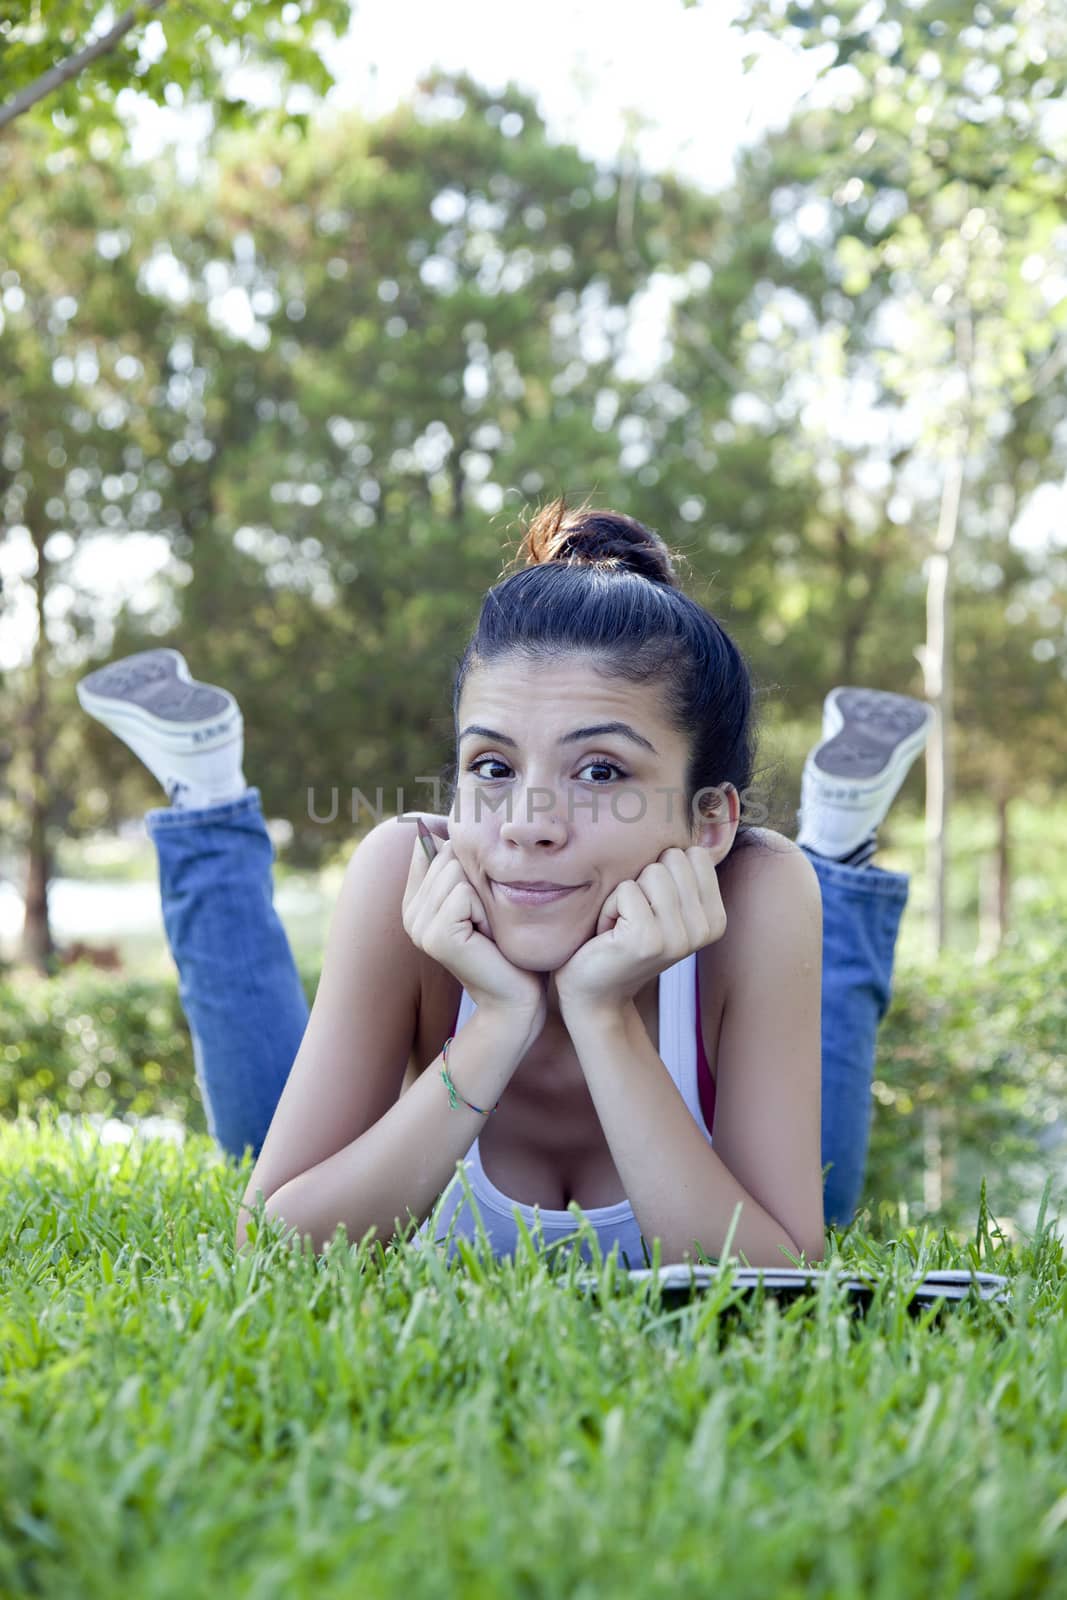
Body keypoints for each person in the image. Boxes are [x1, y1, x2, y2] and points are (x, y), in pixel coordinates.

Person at [76, 498, 931, 1270]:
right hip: (441, 1040)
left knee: (824, 1194)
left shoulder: (756, 892)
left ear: (707, 822)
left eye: (599, 771)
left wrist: (602, 1015)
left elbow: (774, 1275)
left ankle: (837, 843)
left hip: (751, 916)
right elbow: (275, 1247)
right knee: (263, 1135)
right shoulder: (408, 868)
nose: (527, 821)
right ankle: (205, 780)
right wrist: (497, 1022)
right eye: (490, 764)